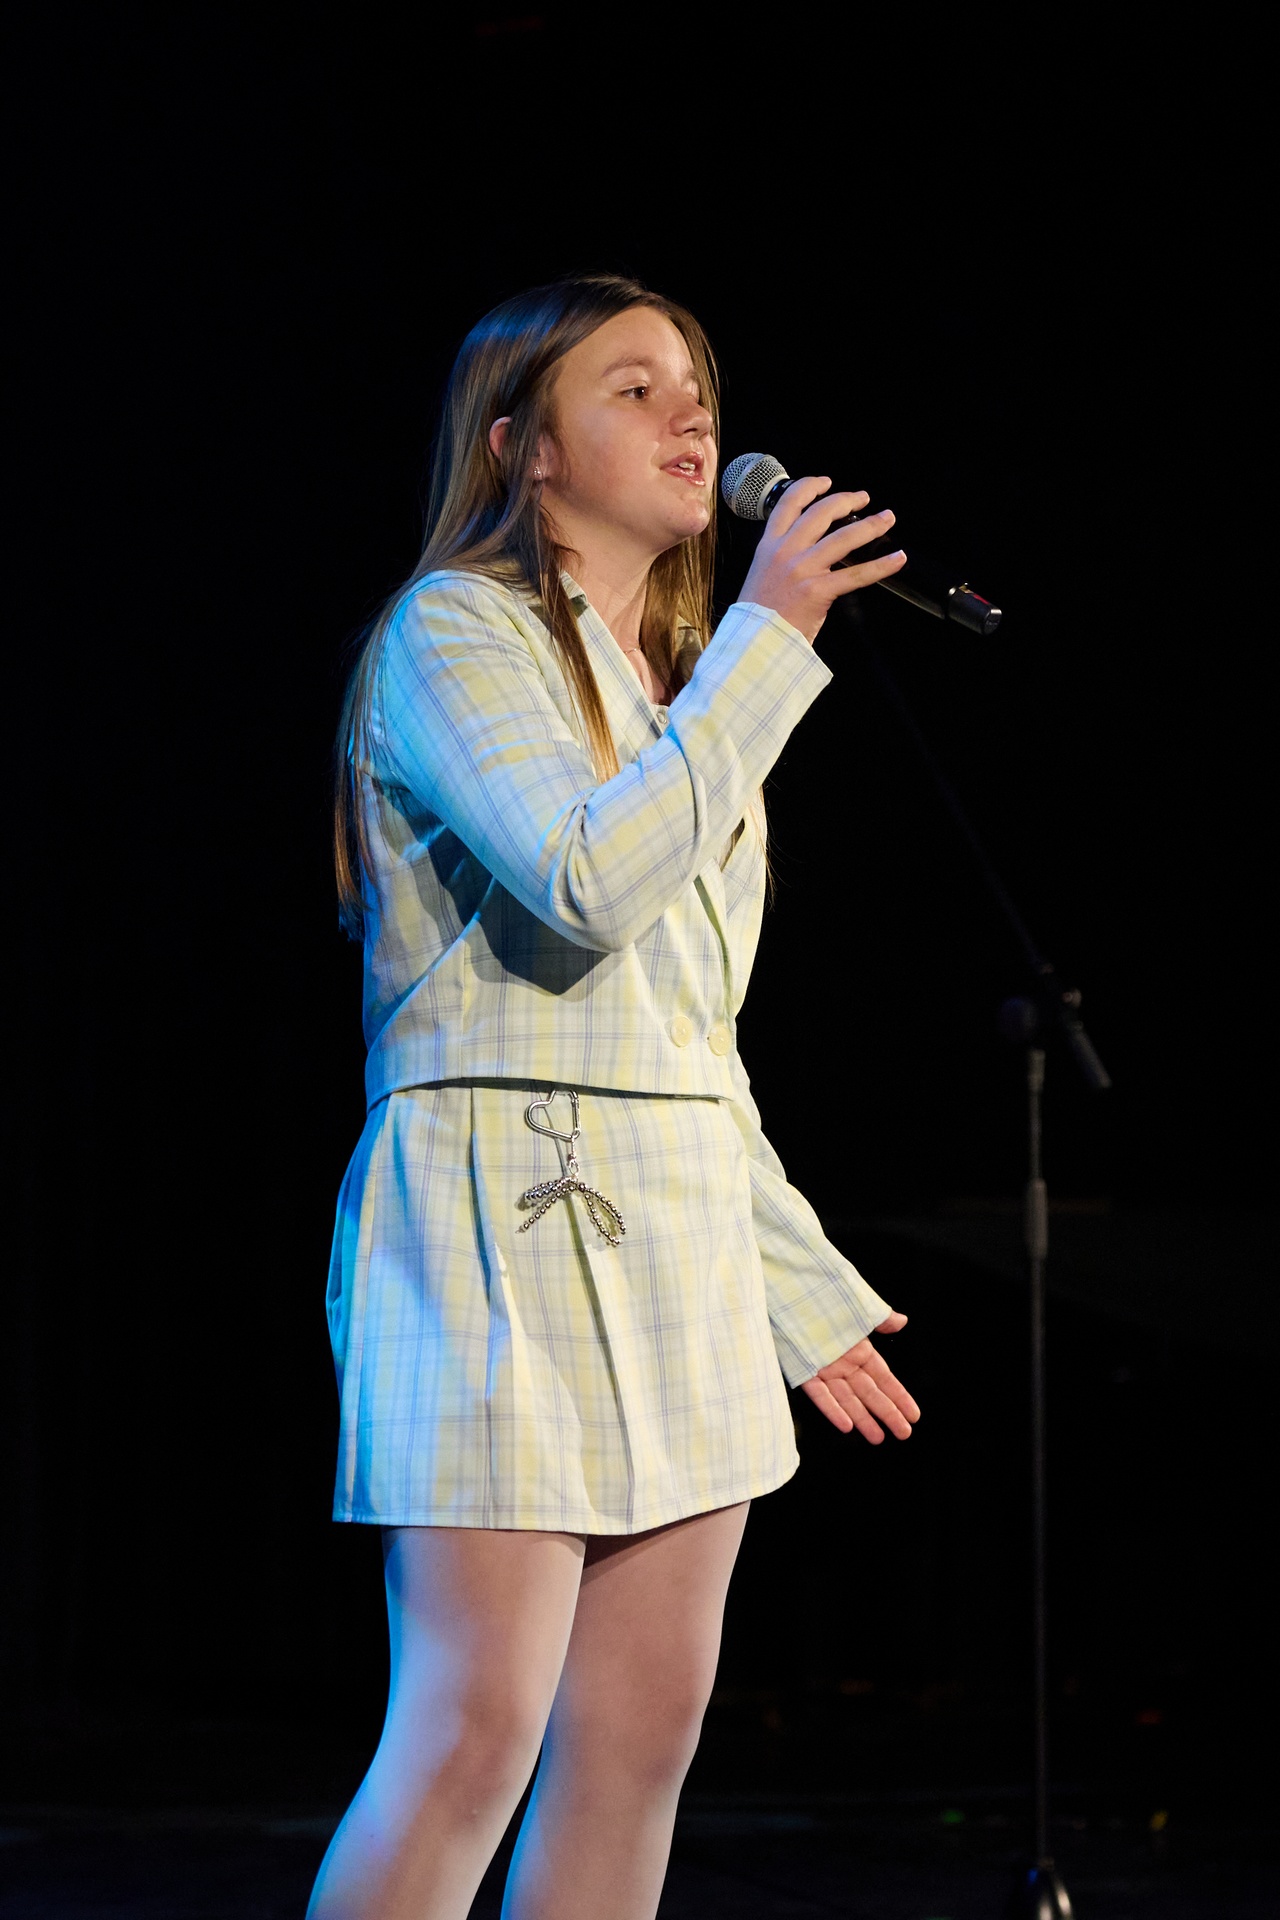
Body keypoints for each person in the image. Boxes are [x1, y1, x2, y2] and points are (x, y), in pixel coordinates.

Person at [307, 273, 921, 1920]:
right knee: (474, 1730)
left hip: (677, 1238)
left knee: (641, 1740)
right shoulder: (457, 634)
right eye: (633, 388)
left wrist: (789, 1282)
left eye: (696, 384)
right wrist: (774, 639)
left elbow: (685, 1038)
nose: (689, 414)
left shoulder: (677, 693)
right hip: (494, 1213)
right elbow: (585, 883)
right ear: (523, 445)